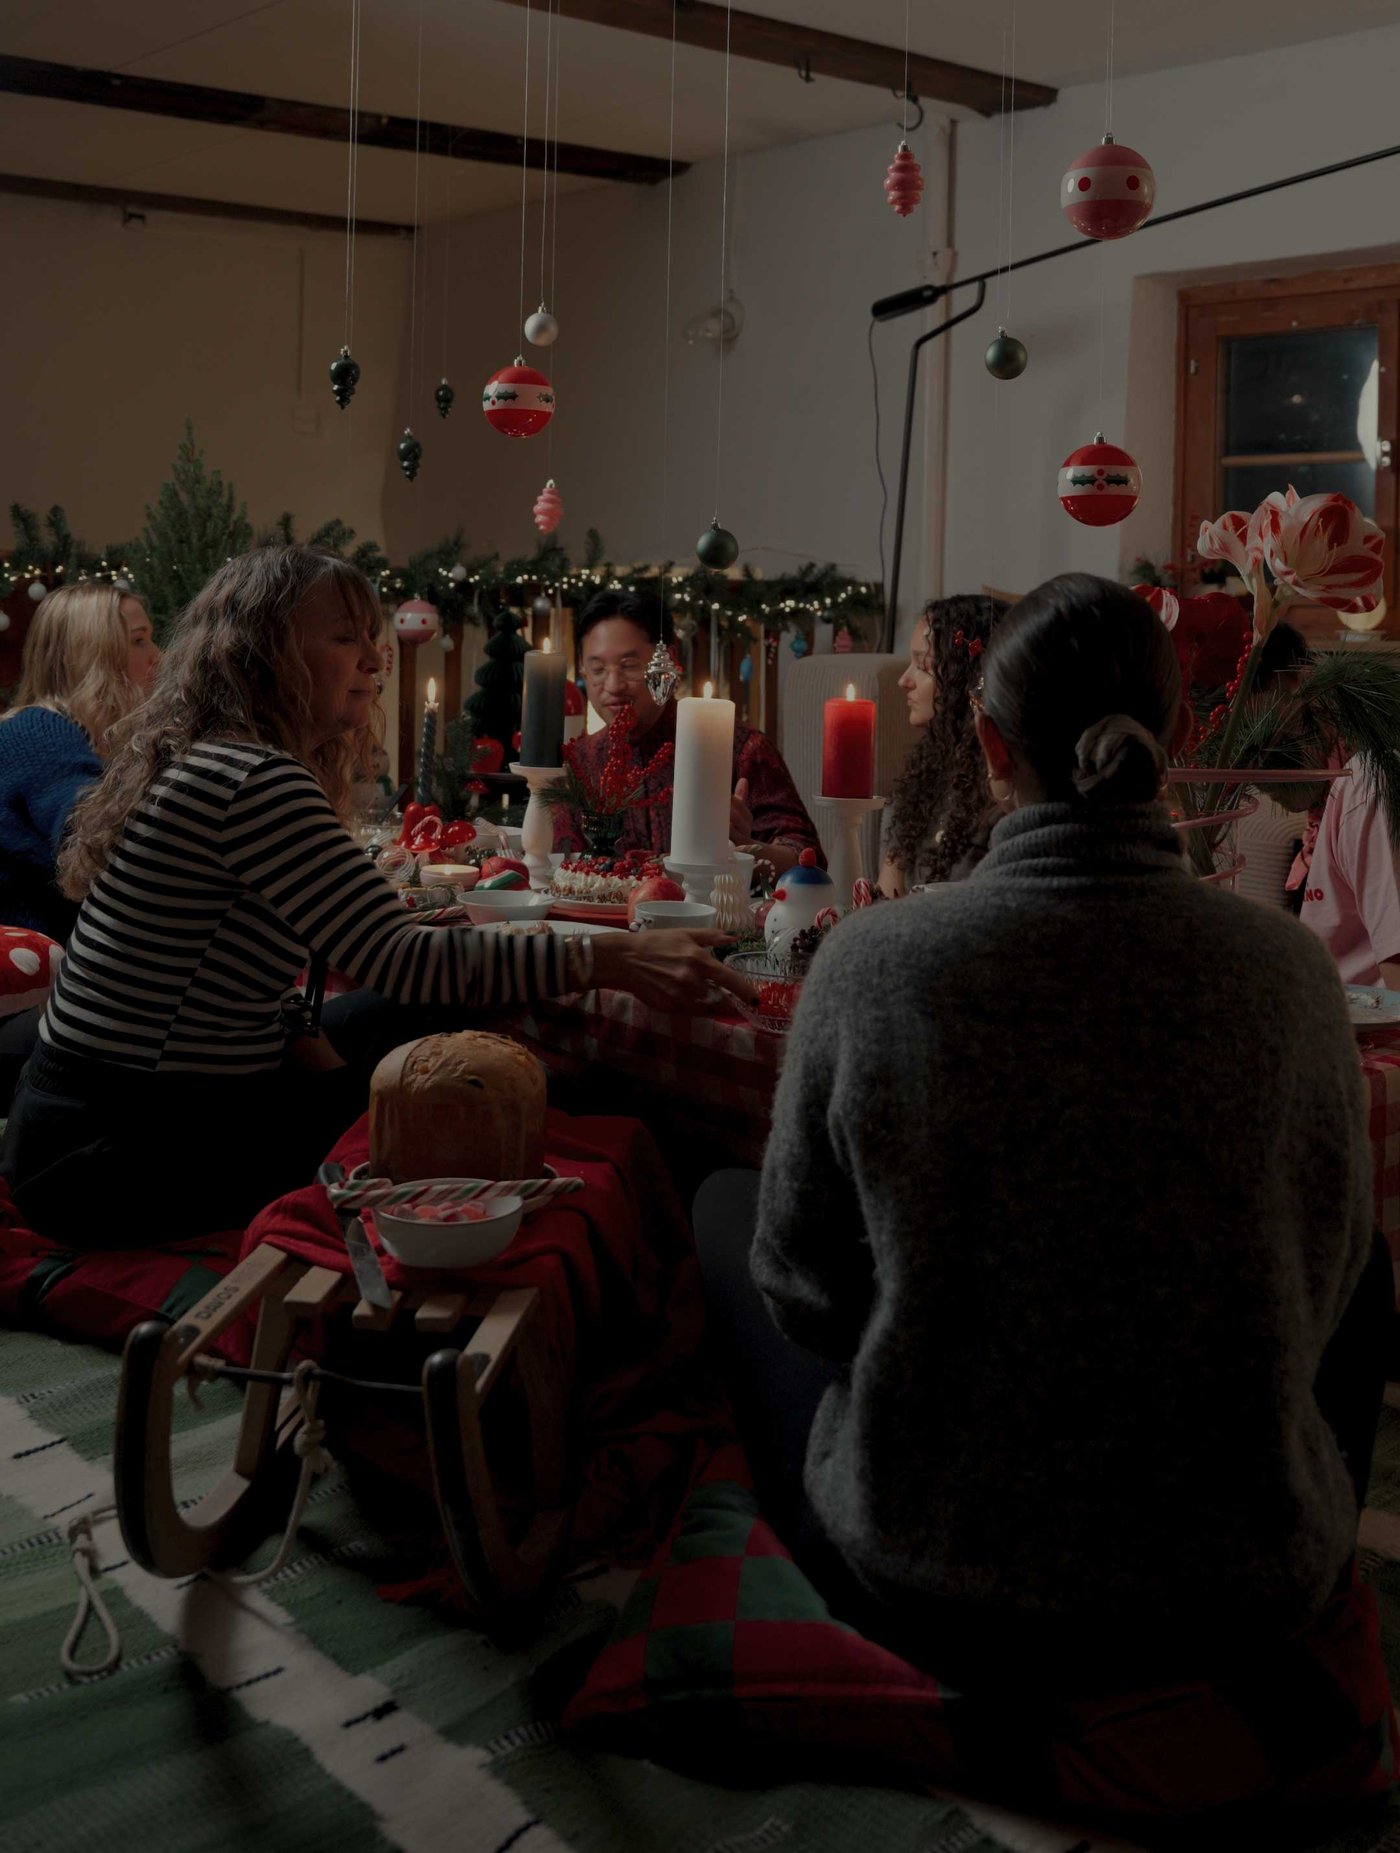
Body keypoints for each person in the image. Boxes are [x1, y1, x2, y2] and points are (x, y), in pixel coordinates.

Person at [696, 574, 1391, 1804]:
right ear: (1179, 734)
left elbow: (805, 1295)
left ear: (985, 742)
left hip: (932, 1582)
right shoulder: (1286, 974)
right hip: (1238, 1592)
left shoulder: (871, 962)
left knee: (716, 1207)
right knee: (1365, 1263)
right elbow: (1328, 1285)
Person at [1, 546, 751, 1247]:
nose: (374, 658)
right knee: (451, 1075)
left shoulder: (219, 762)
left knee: (413, 1024)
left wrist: (324, 1062)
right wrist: (616, 959)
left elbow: (229, 965)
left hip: (97, 1117)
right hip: (112, 1148)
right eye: (344, 639)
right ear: (264, 655)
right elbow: (403, 958)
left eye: (371, 636)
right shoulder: (251, 780)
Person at [552, 589, 822, 874]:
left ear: (667, 659)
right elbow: (561, 868)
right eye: (597, 669)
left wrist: (743, 849)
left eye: (629, 666)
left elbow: (807, 859)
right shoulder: (580, 763)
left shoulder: (740, 748)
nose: (612, 686)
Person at [0, 583, 160, 940]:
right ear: (90, 654)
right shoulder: (39, 732)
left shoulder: (95, 741)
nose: (157, 656)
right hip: (36, 964)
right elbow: (98, 842)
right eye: (138, 641)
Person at [878, 593, 1003, 896]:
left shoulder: (1002, 788)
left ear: (967, 677)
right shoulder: (926, 773)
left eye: (923, 666)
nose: (904, 680)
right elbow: (884, 894)